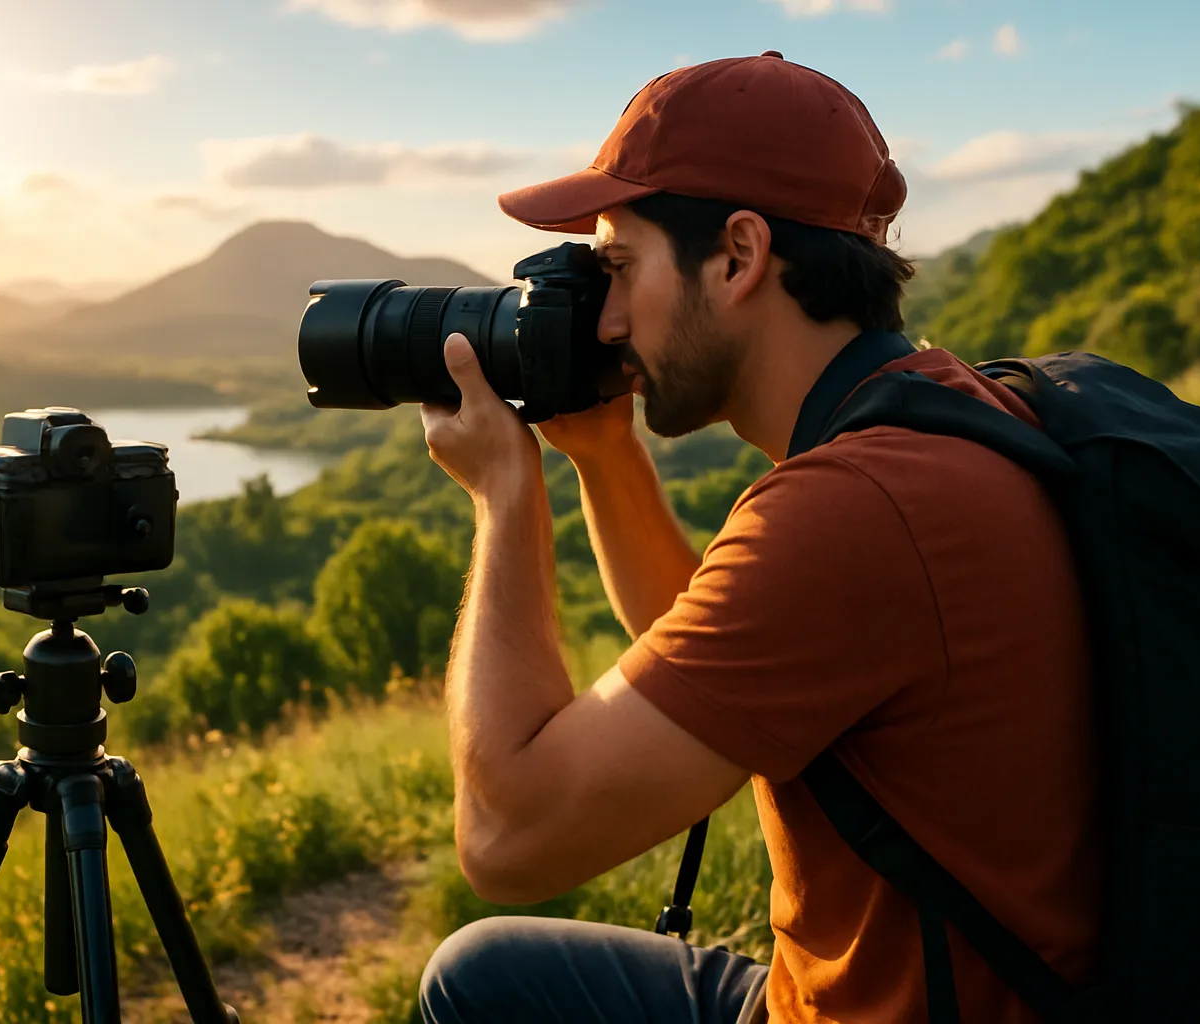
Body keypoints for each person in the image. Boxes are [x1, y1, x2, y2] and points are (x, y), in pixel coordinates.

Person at [415, 51, 1101, 1024]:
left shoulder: (855, 513)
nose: (606, 320)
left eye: (618, 268)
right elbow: (714, 666)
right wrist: (605, 457)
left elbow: (507, 835)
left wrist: (503, 496)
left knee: (478, 976)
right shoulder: (948, 418)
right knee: (482, 972)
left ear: (738, 255)